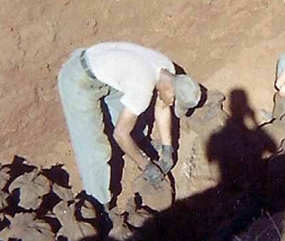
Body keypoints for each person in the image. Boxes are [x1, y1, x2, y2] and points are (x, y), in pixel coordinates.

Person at [58, 42, 201, 207]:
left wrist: (167, 148)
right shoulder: (142, 88)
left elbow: (162, 105)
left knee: (131, 117)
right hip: (79, 78)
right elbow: (119, 134)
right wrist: (145, 165)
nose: (172, 105)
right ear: (172, 90)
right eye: (174, 102)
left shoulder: (167, 70)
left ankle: (138, 142)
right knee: (95, 149)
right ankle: (99, 203)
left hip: (104, 70)